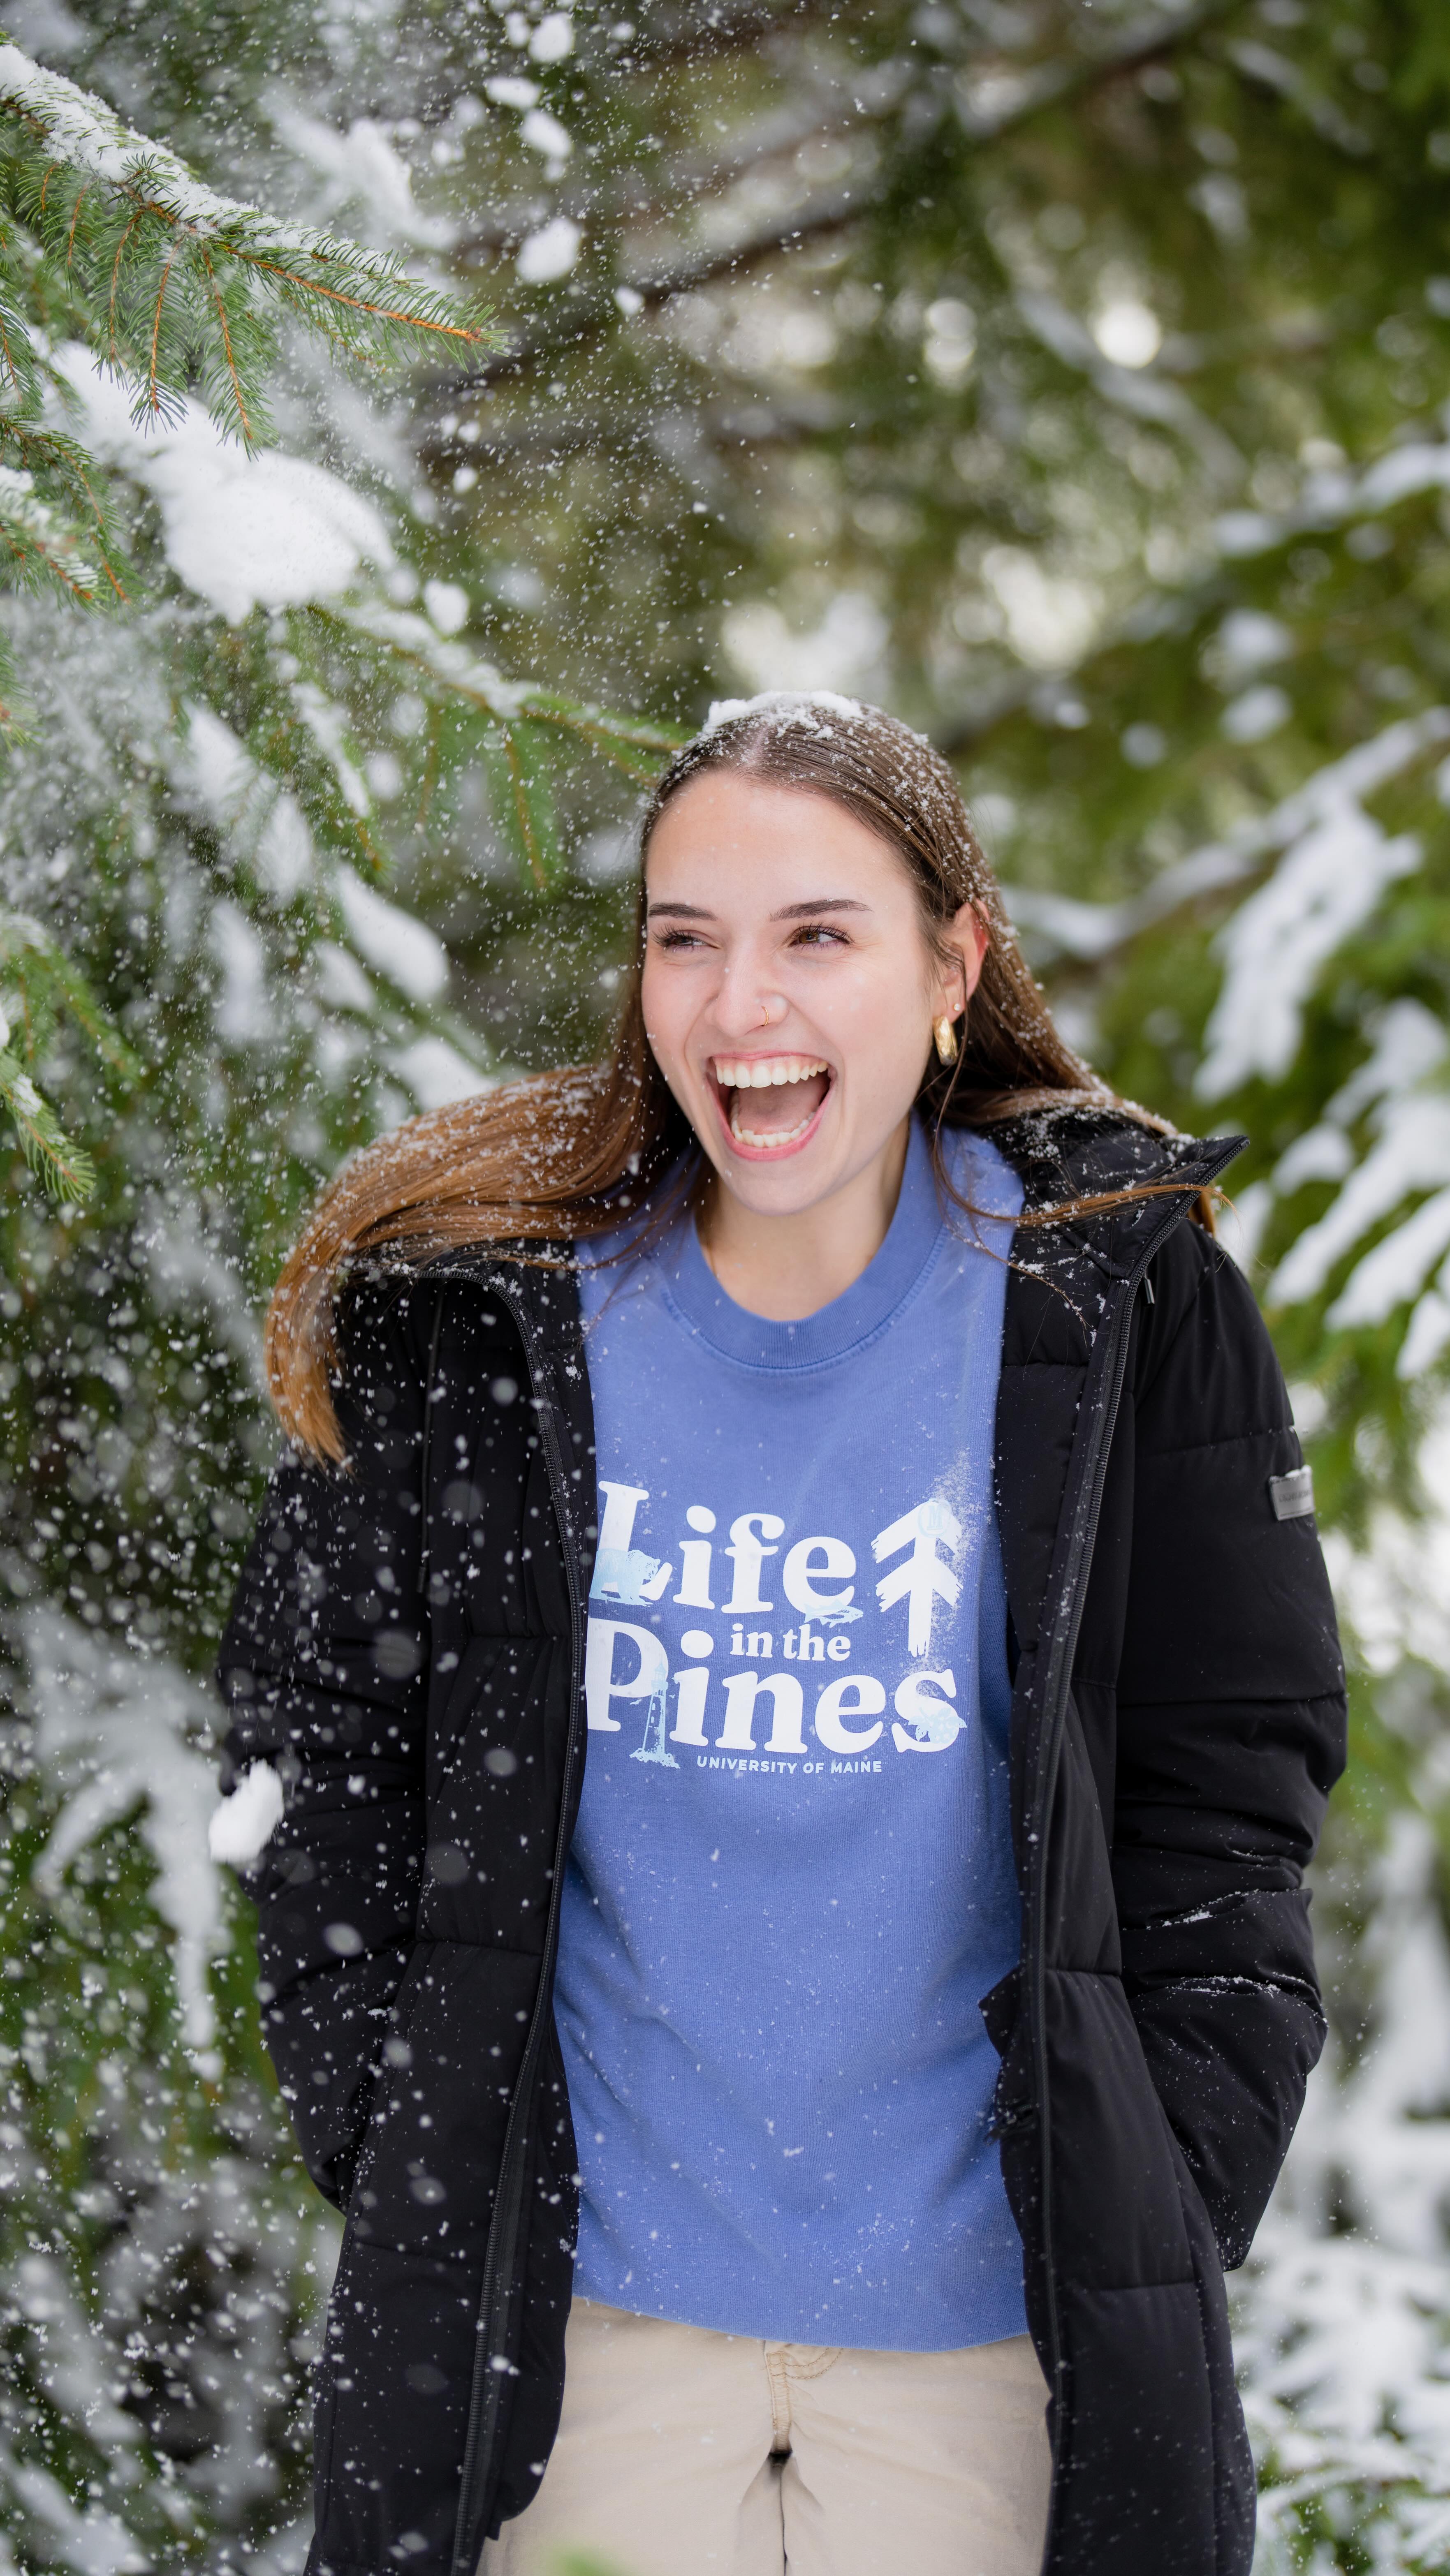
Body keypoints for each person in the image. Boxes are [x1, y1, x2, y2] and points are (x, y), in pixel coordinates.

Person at [216, 694, 1346, 2576]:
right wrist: (404, 2137)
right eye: (687, 938)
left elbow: (1233, 1769)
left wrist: (1169, 2165)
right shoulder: (489, 1321)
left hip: (993, 2347)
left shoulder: (1119, 1295)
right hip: (571, 2344)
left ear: (949, 965)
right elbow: (319, 1751)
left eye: (818, 935)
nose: (743, 1008)